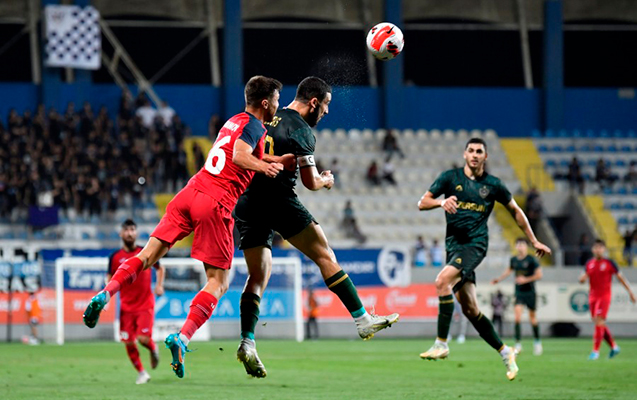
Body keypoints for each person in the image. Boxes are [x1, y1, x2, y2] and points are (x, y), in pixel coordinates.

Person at [82, 76, 289, 380]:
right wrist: (265, 167)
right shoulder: (256, 126)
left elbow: (237, 152)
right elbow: (239, 156)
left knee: (146, 256)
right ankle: (182, 337)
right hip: (215, 202)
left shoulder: (234, 122)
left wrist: (274, 159)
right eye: (277, 101)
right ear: (265, 102)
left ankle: (105, 293)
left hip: (189, 193)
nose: (278, 106)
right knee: (218, 281)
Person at [232, 76, 399, 378]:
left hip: (246, 201)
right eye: (326, 105)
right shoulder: (301, 130)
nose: (326, 111)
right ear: (313, 102)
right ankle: (362, 319)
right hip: (279, 200)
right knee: (325, 255)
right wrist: (325, 180)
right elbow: (310, 183)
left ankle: (248, 340)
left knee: (257, 275)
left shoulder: (264, 116)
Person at [417, 137, 551, 381]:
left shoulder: (493, 185)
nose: (475, 155)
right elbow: (422, 202)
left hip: (475, 245)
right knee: (470, 310)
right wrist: (441, 202)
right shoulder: (450, 178)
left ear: (485, 156)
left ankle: (441, 343)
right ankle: (505, 351)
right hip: (453, 248)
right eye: (471, 150)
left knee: (441, 281)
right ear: (464, 154)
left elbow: (516, 211)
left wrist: (534, 241)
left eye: (479, 151)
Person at [106, 219, 165, 384]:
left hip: (145, 304)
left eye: (132, 230)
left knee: (143, 339)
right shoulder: (115, 257)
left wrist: (159, 285)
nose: (129, 233)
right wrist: (107, 295)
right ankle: (142, 373)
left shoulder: (144, 252)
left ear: (136, 233)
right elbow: (110, 278)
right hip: (125, 307)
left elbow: (160, 268)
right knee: (128, 342)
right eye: (126, 230)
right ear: (121, 234)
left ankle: (153, 347)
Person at [579, 239, 636, 360]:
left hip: (604, 296)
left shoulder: (609, 263)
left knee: (599, 320)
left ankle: (595, 351)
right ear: (592, 249)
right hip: (592, 296)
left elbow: (621, 278)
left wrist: (630, 292)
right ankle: (614, 347)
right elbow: (582, 278)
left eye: (600, 247)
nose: (598, 250)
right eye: (596, 247)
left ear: (604, 249)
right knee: (598, 322)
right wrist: (582, 279)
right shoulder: (589, 263)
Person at [492, 238, 543, 355]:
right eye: (518, 245)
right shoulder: (513, 260)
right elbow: (508, 271)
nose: (520, 247)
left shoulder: (531, 260)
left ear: (526, 247)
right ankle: (518, 344)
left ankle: (537, 342)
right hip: (519, 292)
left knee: (532, 318)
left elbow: (539, 275)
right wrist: (499, 279)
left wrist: (525, 279)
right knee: (517, 317)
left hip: (530, 292)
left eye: (522, 245)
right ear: (515, 247)